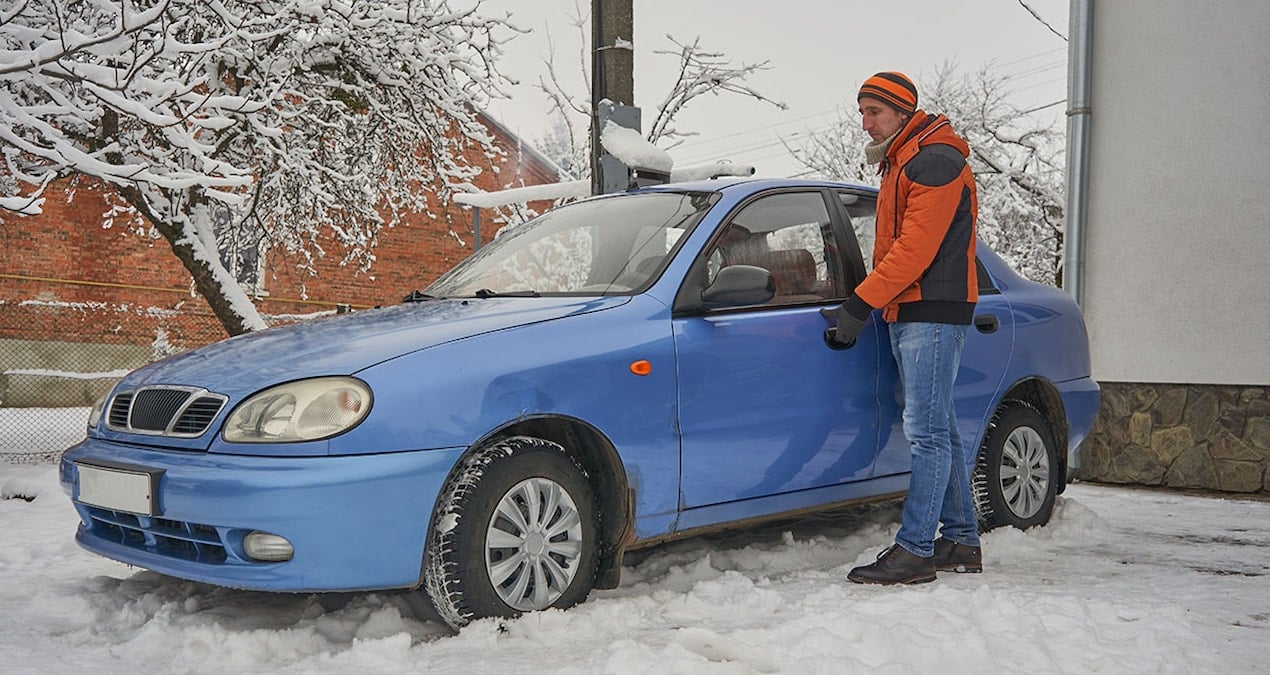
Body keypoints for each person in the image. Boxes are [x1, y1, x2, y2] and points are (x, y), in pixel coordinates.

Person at [820, 71, 982, 584]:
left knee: (926, 433)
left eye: (874, 112)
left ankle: (915, 550)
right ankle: (961, 540)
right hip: (914, 308)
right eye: (862, 112)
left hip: (931, 310)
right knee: (942, 428)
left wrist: (859, 304)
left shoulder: (934, 161)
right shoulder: (904, 159)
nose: (865, 123)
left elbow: (915, 251)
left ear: (902, 112)